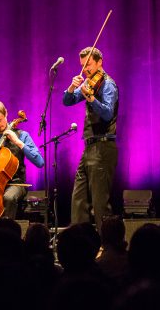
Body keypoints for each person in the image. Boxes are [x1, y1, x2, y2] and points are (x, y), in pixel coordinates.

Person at [63, 47, 118, 233]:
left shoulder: (108, 84)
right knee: (78, 198)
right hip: (88, 148)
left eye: (88, 65)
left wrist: (92, 98)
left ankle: (107, 244)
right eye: (82, 66)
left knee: (100, 202)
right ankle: (80, 241)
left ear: (99, 62)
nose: (85, 69)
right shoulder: (88, 83)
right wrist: (72, 87)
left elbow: (108, 113)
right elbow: (67, 101)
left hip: (103, 147)